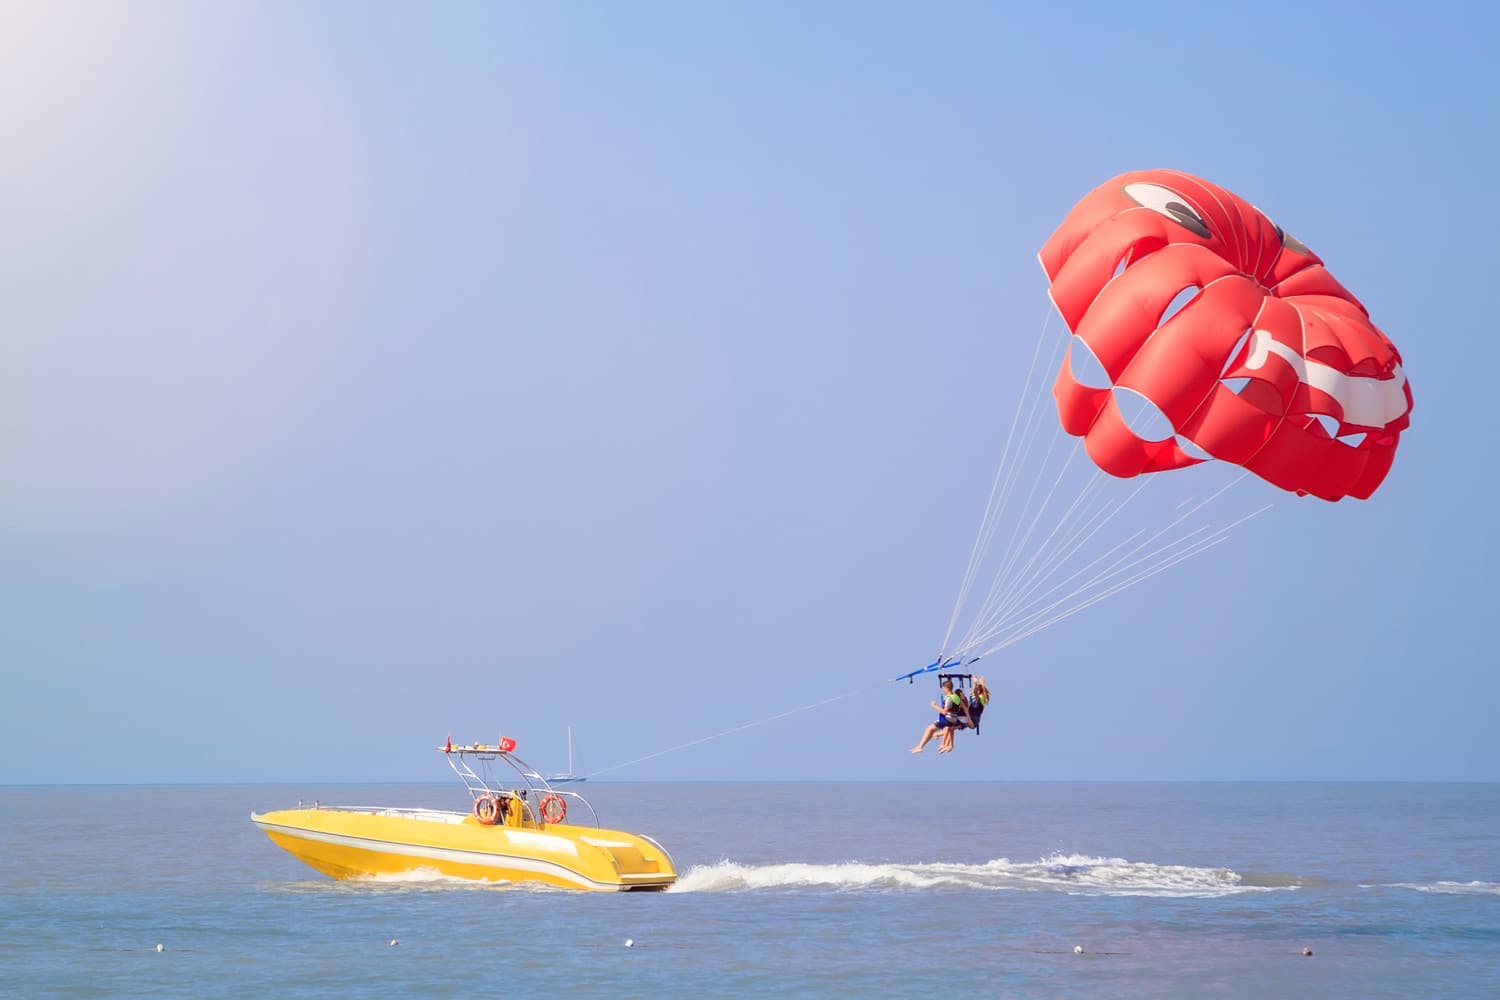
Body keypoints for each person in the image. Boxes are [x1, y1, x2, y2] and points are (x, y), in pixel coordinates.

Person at [909, 679, 970, 753]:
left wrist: (934, 706)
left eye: (943, 688)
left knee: (930, 728)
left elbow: (944, 712)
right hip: (953, 719)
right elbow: (962, 706)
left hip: (947, 719)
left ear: (945, 688)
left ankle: (921, 746)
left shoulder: (949, 698)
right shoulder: (956, 697)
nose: (942, 690)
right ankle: (921, 746)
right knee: (932, 729)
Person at [938, 676, 989, 753]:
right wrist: (981, 683)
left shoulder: (980, 698)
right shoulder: (979, 698)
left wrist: (976, 682)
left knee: (950, 726)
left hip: (972, 719)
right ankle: (949, 745)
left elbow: (976, 692)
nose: (971, 692)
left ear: (979, 691)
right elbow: (977, 691)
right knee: (951, 727)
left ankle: (946, 744)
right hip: (970, 719)